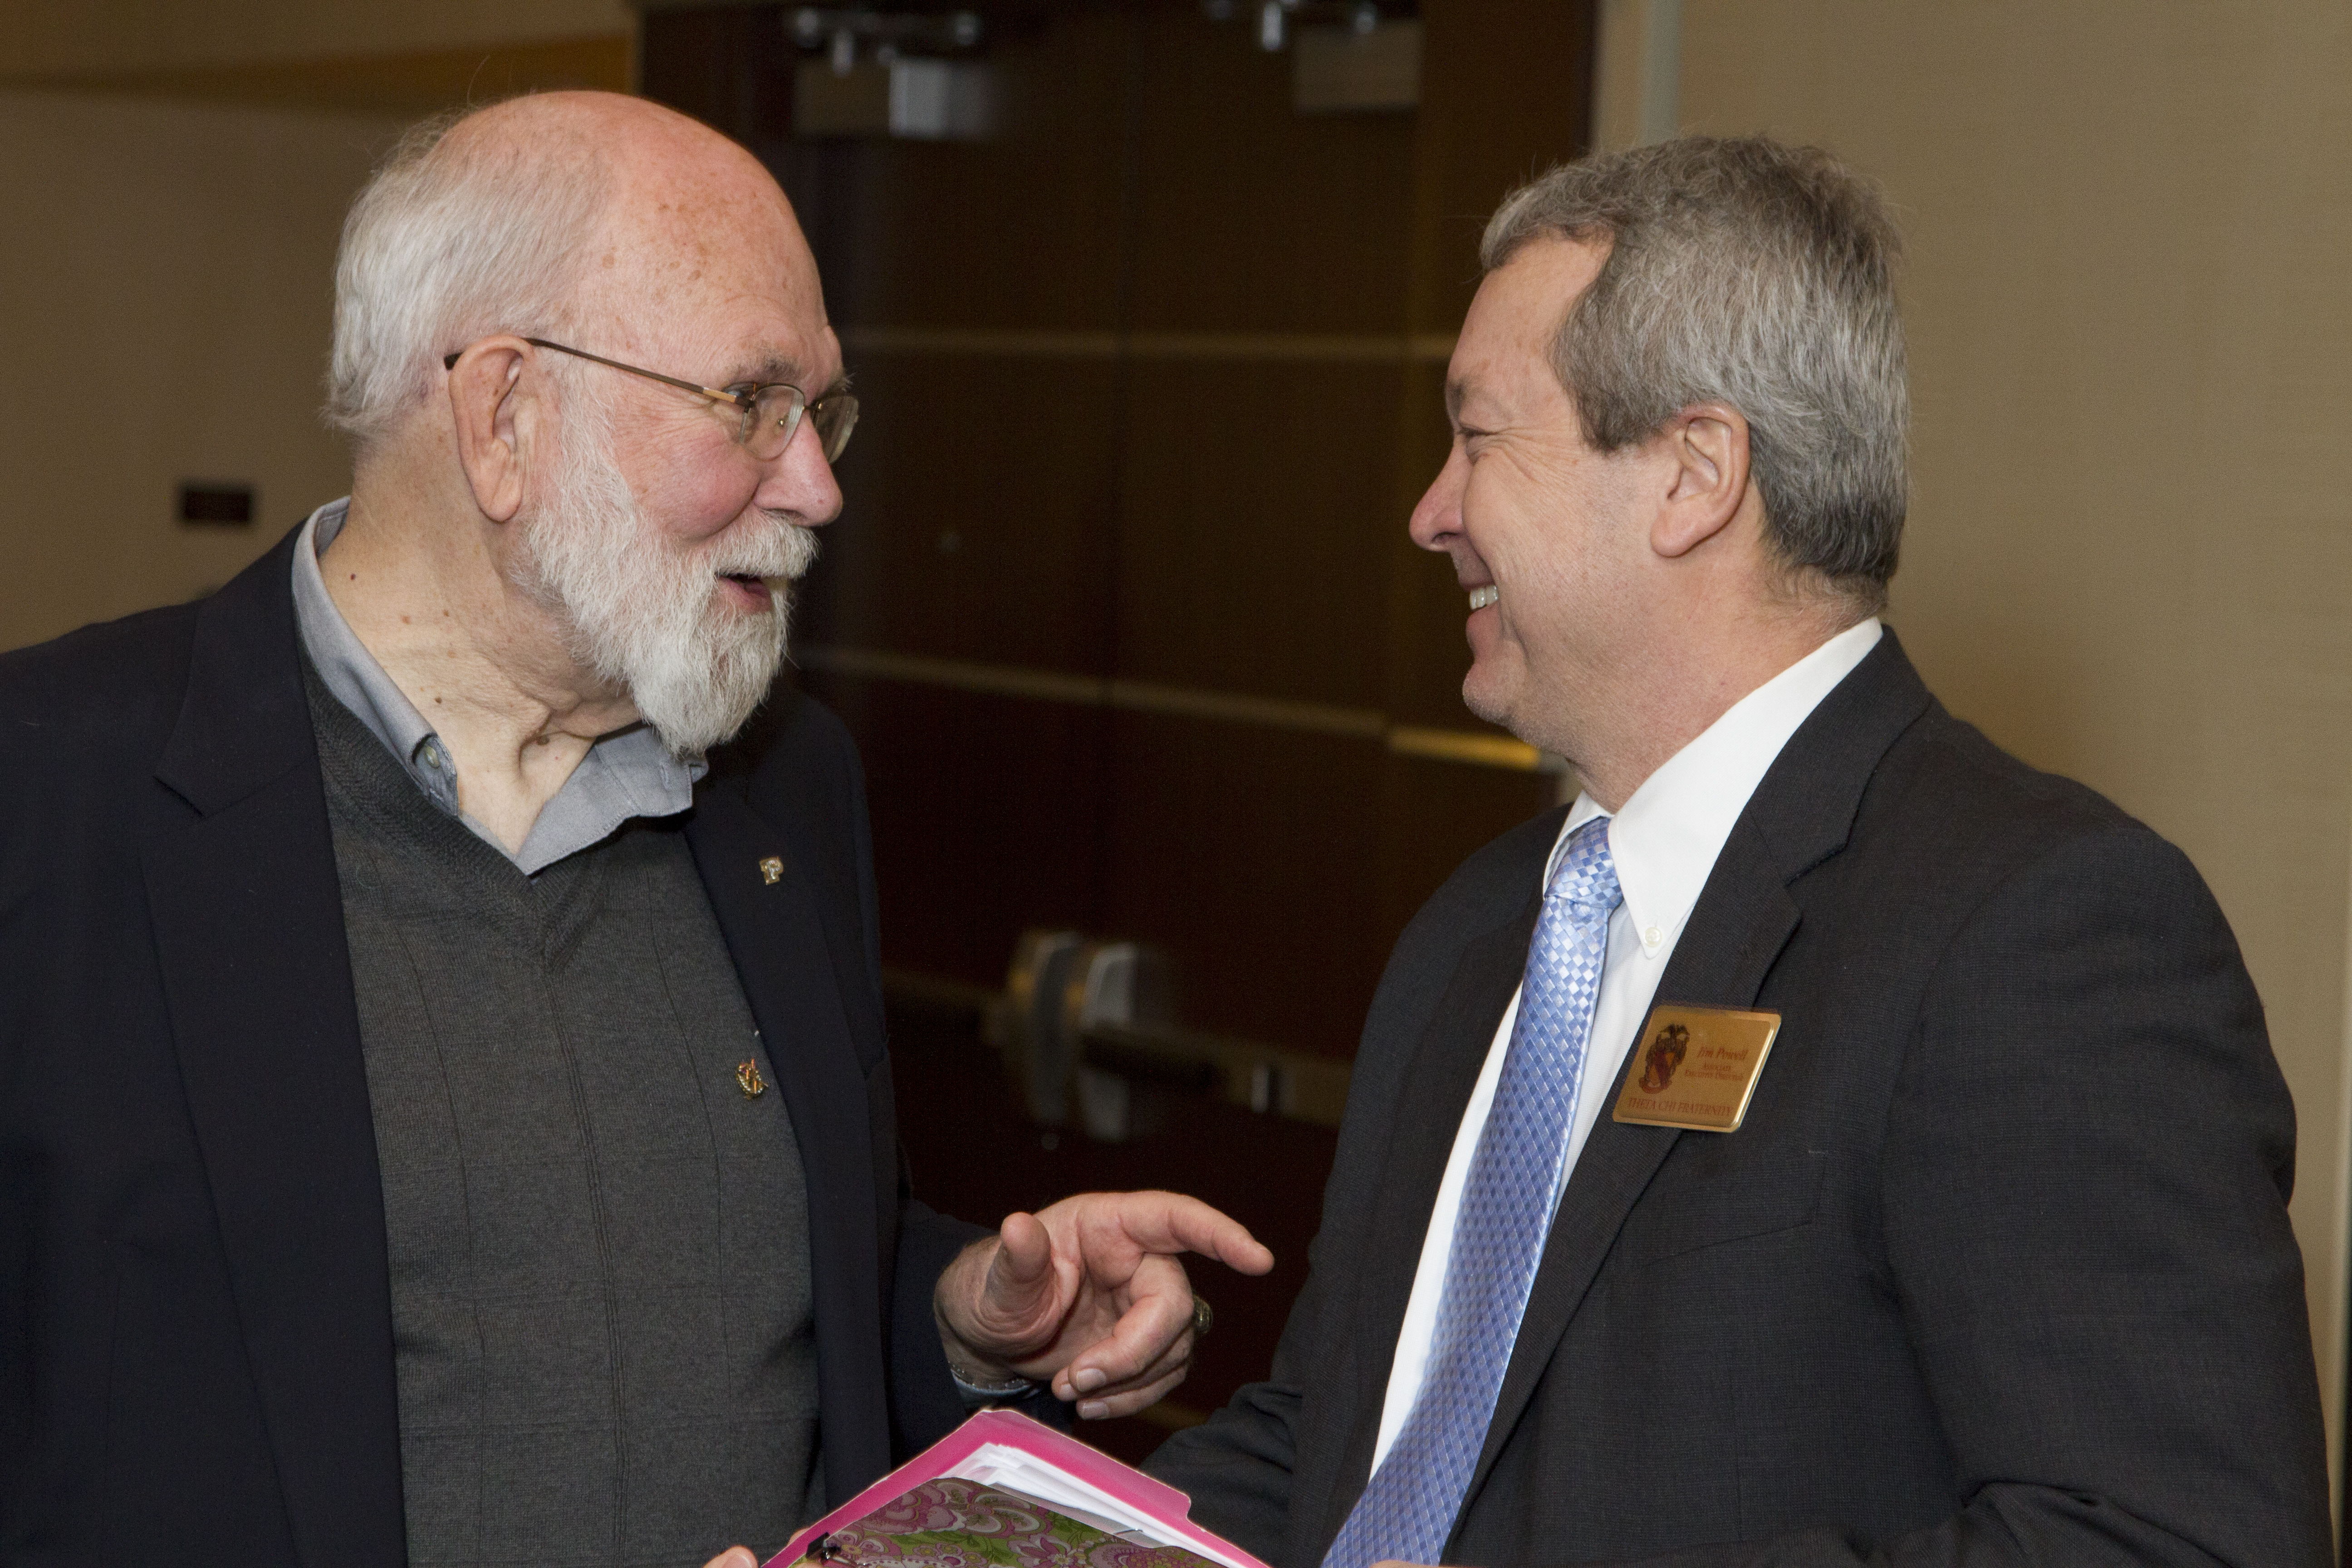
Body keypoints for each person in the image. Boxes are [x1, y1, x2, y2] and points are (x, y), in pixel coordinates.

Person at [0, 92, 1271, 1568]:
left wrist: (962, 1319)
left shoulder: (788, 789)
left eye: (824, 412)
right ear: (503, 417)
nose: (818, 489)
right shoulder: (52, 796)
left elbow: (752, 1300)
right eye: (749, 402)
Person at [1146, 136, 2330, 1566]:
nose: (1431, 510)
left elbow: (2175, 1542)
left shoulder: (2035, 929)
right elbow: (1346, 1445)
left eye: (1480, 437)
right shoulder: (1480, 924)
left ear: (1694, 475)